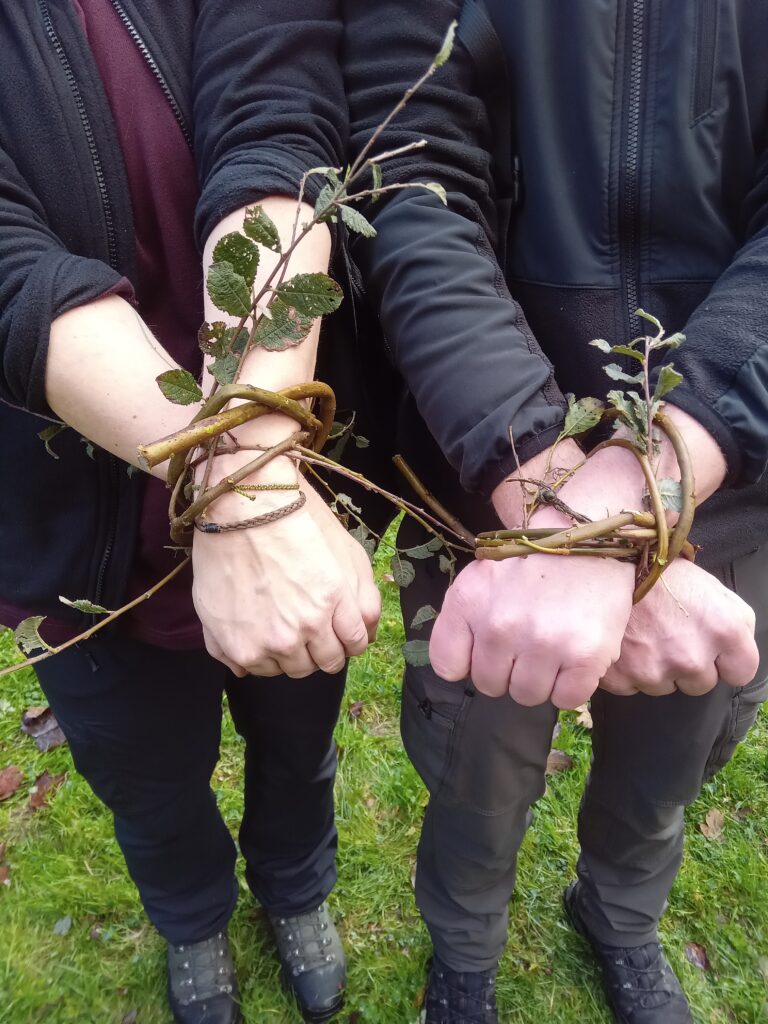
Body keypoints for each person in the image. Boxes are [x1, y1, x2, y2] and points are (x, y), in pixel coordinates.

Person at [344, 1, 768, 1021]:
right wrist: (541, 489)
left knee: (670, 754)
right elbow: (411, 183)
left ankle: (618, 915)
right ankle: (463, 950)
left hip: (733, 486)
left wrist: (637, 492)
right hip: (477, 477)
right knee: (469, 762)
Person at [0, 3, 380, 1022]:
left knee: (298, 740)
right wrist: (235, 491)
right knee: (149, 779)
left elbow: (279, 119)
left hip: (293, 499)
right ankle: (193, 918)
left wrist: (256, 488)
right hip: (74, 550)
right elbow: (9, 265)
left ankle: (295, 886)